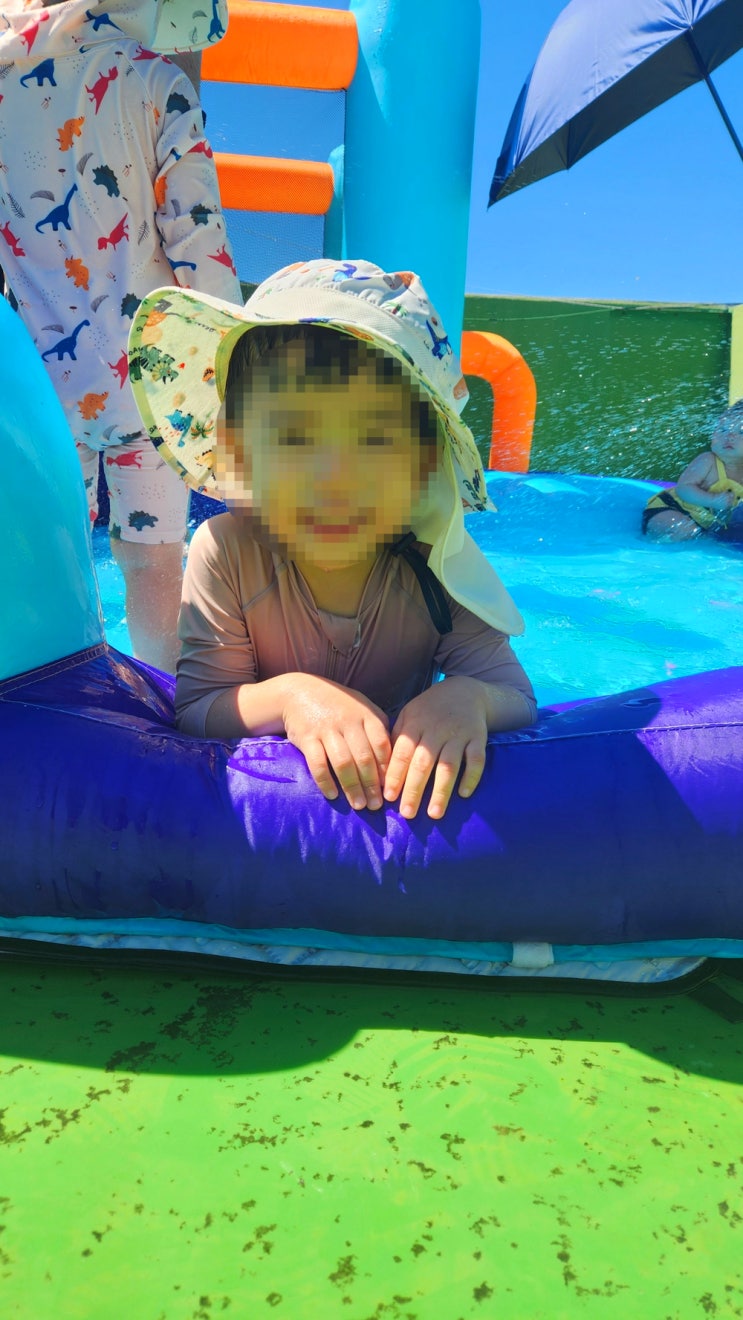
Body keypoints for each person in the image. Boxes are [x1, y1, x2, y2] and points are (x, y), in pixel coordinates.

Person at [128, 259, 536, 821]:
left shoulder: (439, 563)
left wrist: (468, 697)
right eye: (293, 436)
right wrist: (292, 697)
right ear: (238, 454)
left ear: (425, 467)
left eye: (375, 438)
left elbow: (516, 696)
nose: (334, 476)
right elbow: (198, 710)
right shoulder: (225, 552)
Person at [0, 0, 242, 672]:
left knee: (54, 569)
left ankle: (65, 708)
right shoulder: (158, 82)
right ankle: (160, 705)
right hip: (149, 381)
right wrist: (230, 358)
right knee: (153, 566)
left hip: (38, 389)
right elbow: (198, 241)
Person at [642, 399, 743, 543]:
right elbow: (683, 489)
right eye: (723, 430)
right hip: (669, 508)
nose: (729, 437)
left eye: (741, 432)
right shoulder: (708, 461)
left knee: (702, 537)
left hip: (702, 524)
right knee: (685, 531)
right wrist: (712, 500)